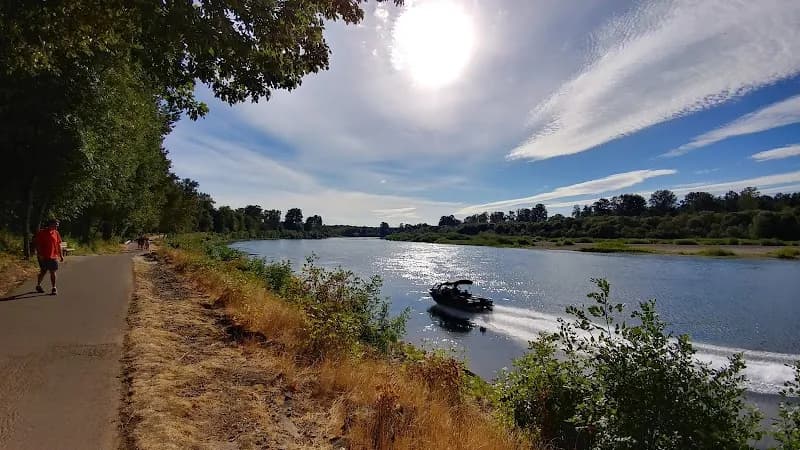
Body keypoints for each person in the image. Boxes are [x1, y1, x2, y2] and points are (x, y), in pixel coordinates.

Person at [34, 219, 64, 295]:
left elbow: (58, 244)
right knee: (43, 271)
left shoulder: (56, 233)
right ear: (50, 224)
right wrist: (40, 254)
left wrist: (61, 255)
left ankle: (54, 288)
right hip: (43, 256)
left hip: (53, 256)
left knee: (53, 271)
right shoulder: (42, 232)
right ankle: (38, 285)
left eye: (57, 225)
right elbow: (38, 244)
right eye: (55, 225)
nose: (57, 227)